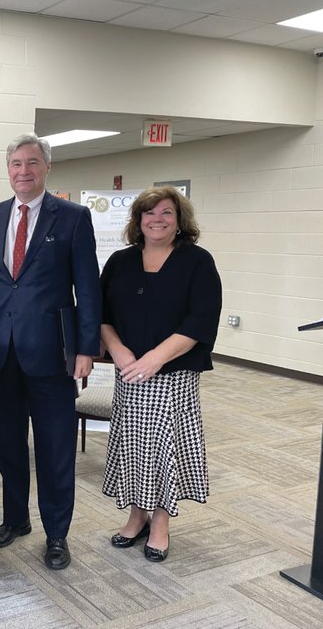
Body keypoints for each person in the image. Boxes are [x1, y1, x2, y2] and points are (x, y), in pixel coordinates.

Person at [0, 133, 101, 570]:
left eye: (31, 163)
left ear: (47, 168)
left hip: (53, 355)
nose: (23, 172)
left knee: (54, 449)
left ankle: (57, 534)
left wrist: (86, 349)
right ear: (7, 170)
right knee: (8, 447)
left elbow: (87, 288)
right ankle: (15, 520)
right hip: (2, 356)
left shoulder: (72, 218)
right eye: (15, 164)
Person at [100, 186, 221, 562]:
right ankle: (136, 516)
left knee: (163, 449)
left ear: (179, 220)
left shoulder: (197, 261)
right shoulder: (120, 261)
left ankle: (161, 522)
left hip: (174, 374)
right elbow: (100, 314)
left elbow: (201, 320)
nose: (157, 220)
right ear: (138, 220)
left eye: (166, 213)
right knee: (133, 445)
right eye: (149, 213)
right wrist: (119, 351)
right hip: (129, 373)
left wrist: (155, 358)